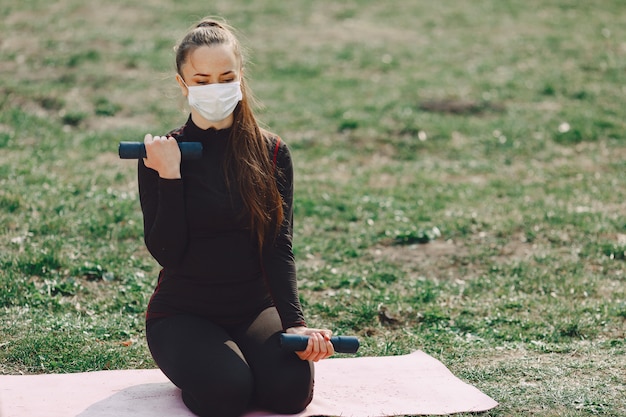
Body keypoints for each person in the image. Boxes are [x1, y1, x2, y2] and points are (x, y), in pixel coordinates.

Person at [137, 17, 334, 417]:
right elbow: (166, 253)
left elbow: (278, 248)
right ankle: (221, 366)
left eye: (226, 77)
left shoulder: (273, 152)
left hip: (254, 308)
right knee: (227, 395)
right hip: (183, 313)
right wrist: (170, 177)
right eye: (203, 79)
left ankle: (243, 360)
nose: (216, 88)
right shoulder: (160, 155)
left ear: (240, 78)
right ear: (183, 84)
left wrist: (294, 324)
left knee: (290, 396)